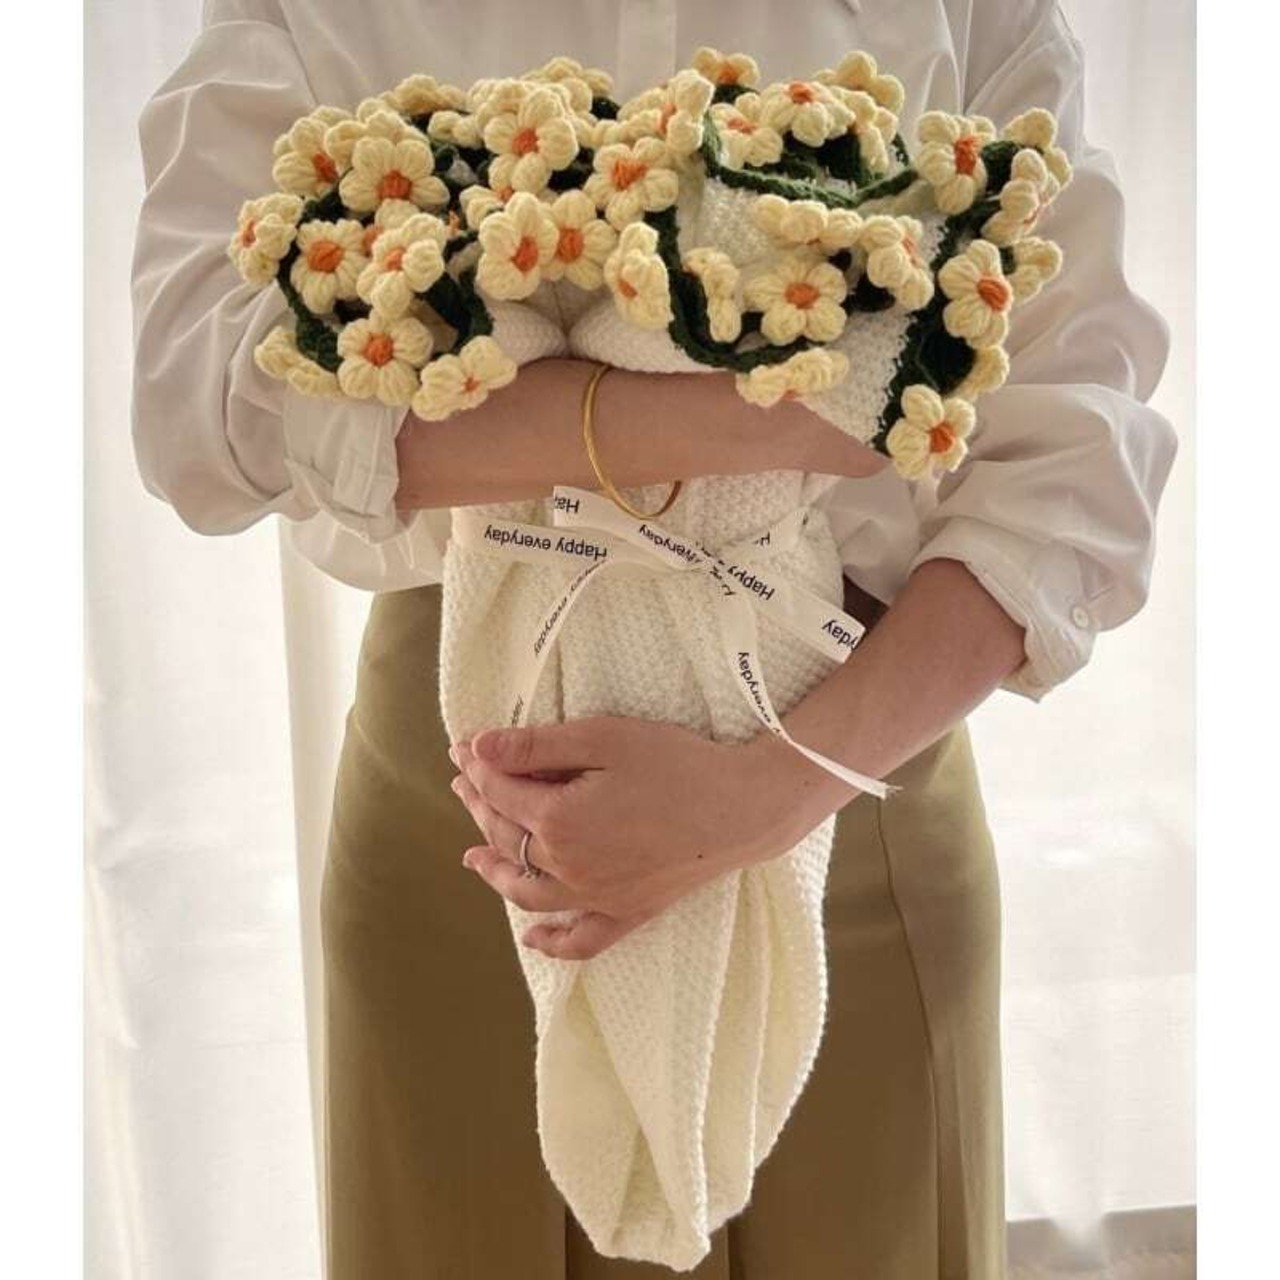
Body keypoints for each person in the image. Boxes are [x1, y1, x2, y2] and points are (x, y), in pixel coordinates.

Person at [129, 1, 1177, 1275]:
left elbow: (1070, 448)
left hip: (860, 759)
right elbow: (196, 394)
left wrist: (775, 792)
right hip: (476, 813)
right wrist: (768, 422)